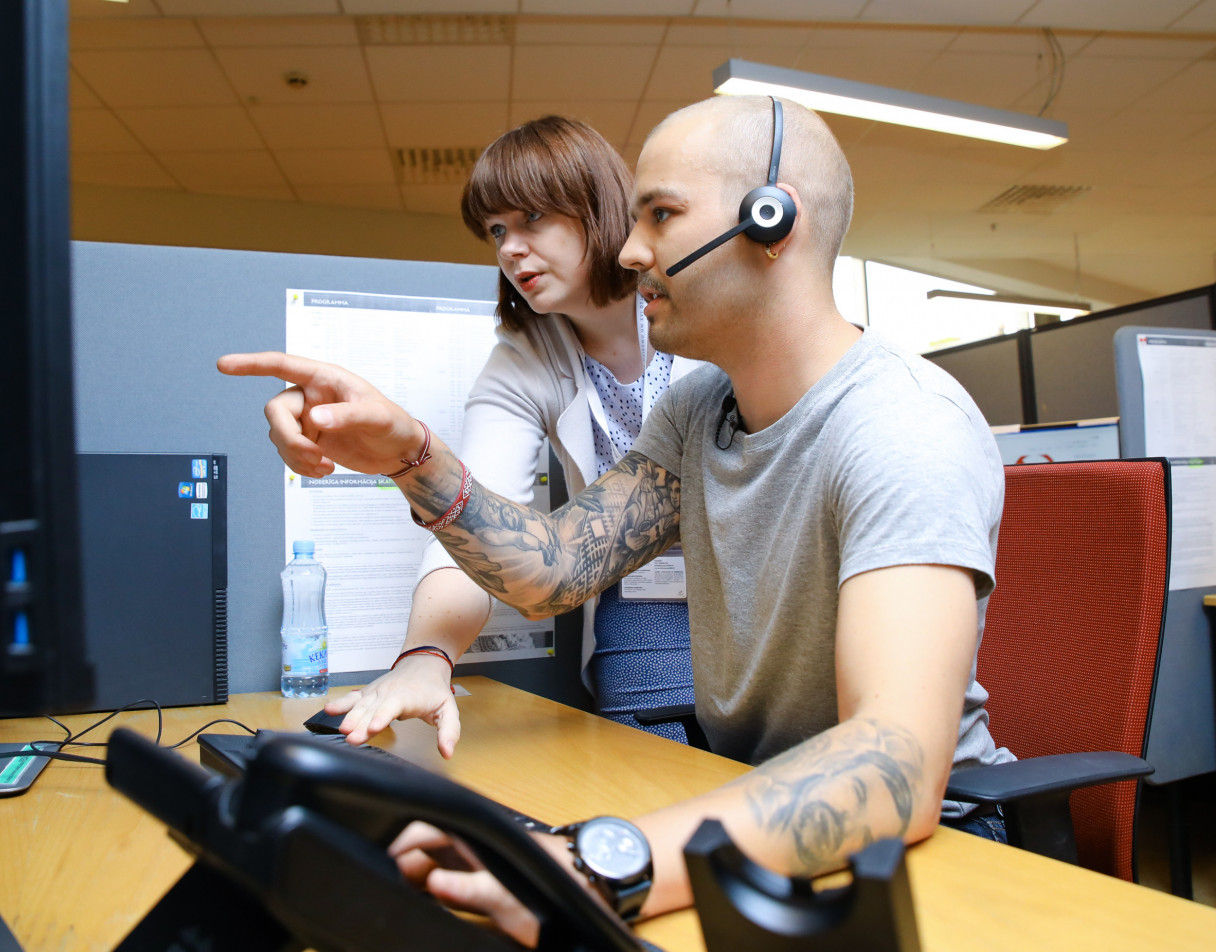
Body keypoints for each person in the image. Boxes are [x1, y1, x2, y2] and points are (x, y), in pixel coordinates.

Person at [220, 95, 1012, 946]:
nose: (631, 251)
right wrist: (412, 457)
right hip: (757, 803)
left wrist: (594, 865)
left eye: (663, 216)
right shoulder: (700, 408)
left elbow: (894, 766)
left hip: (923, 848)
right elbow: (554, 571)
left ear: (772, 222)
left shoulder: (903, 426)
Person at [323, 116, 703, 758]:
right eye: (497, 230)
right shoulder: (526, 357)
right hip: (641, 600)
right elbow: (478, 515)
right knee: (655, 772)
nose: (509, 249)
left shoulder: (701, 306)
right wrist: (428, 656)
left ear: (597, 207)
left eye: (532, 219)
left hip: (756, 581)